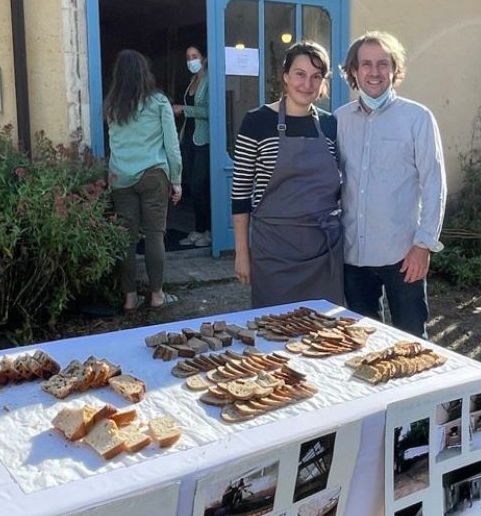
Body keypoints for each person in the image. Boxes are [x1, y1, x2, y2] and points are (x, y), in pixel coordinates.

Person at [336, 31, 446, 338]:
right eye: (366, 64)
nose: (374, 72)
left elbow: (434, 184)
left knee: (412, 343)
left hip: (403, 255)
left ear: (394, 69)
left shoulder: (417, 118)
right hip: (353, 256)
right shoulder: (339, 120)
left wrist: (423, 245)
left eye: (383, 64)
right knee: (361, 342)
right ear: (354, 71)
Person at [232, 40, 343, 308]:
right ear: (285, 76)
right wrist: (242, 253)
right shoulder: (257, 121)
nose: (307, 84)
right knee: (274, 327)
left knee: (324, 329)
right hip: (274, 252)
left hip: (323, 252)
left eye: (316, 76)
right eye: (300, 74)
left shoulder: (330, 124)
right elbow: (240, 194)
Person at [105, 49, 182, 311]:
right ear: (144, 73)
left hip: (121, 177)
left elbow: (114, 143)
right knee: (154, 235)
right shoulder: (159, 102)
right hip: (153, 175)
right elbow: (172, 145)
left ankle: (129, 298)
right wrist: (176, 179)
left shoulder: (112, 105)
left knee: (126, 239)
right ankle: (157, 295)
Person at [174, 42, 212, 248]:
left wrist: (184, 110)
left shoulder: (209, 81)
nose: (191, 61)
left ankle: (209, 231)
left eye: (194, 56)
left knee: (200, 185)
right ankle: (198, 229)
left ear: (203, 59)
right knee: (193, 187)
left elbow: (211, 111)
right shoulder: (192, 81)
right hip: (188, 137)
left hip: (203, 139)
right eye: (188, 58)